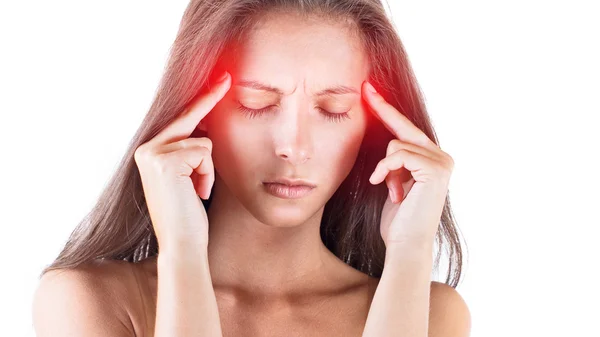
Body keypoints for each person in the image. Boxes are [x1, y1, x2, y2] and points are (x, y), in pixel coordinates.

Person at [32, 1, 470, 336]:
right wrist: (182, 253)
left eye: (334, 109)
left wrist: (412, 249)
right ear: (198, 112)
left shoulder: (430, 313)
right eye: (256, 104)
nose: (294, 147)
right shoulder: (89, 301)